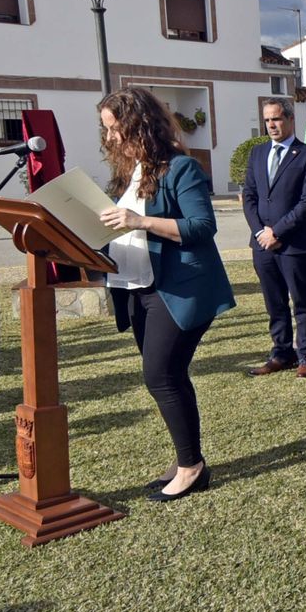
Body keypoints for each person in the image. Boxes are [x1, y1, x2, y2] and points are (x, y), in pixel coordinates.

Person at [96, 86, 235, 502]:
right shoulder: (129, 174)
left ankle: (191, 467)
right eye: (106, 130)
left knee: (159, 375)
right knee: (170, 375)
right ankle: (187, 459)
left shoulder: (180, 168)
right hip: (137, 287)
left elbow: (201, 227)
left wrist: (141, 221)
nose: (111, 139)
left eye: (116, 128)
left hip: (179, 289)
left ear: (139, 125)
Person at [242, 97, 306, 378]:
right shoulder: (257, 153)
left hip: (293, 244)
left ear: (290, 119)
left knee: (301, 302)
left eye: (276, 119)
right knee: (274, 302)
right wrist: (260, 232)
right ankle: (281, 352)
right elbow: (249, 197)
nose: (271, 125)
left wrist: (277, 232)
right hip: (262, 245)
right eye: (267, 120)